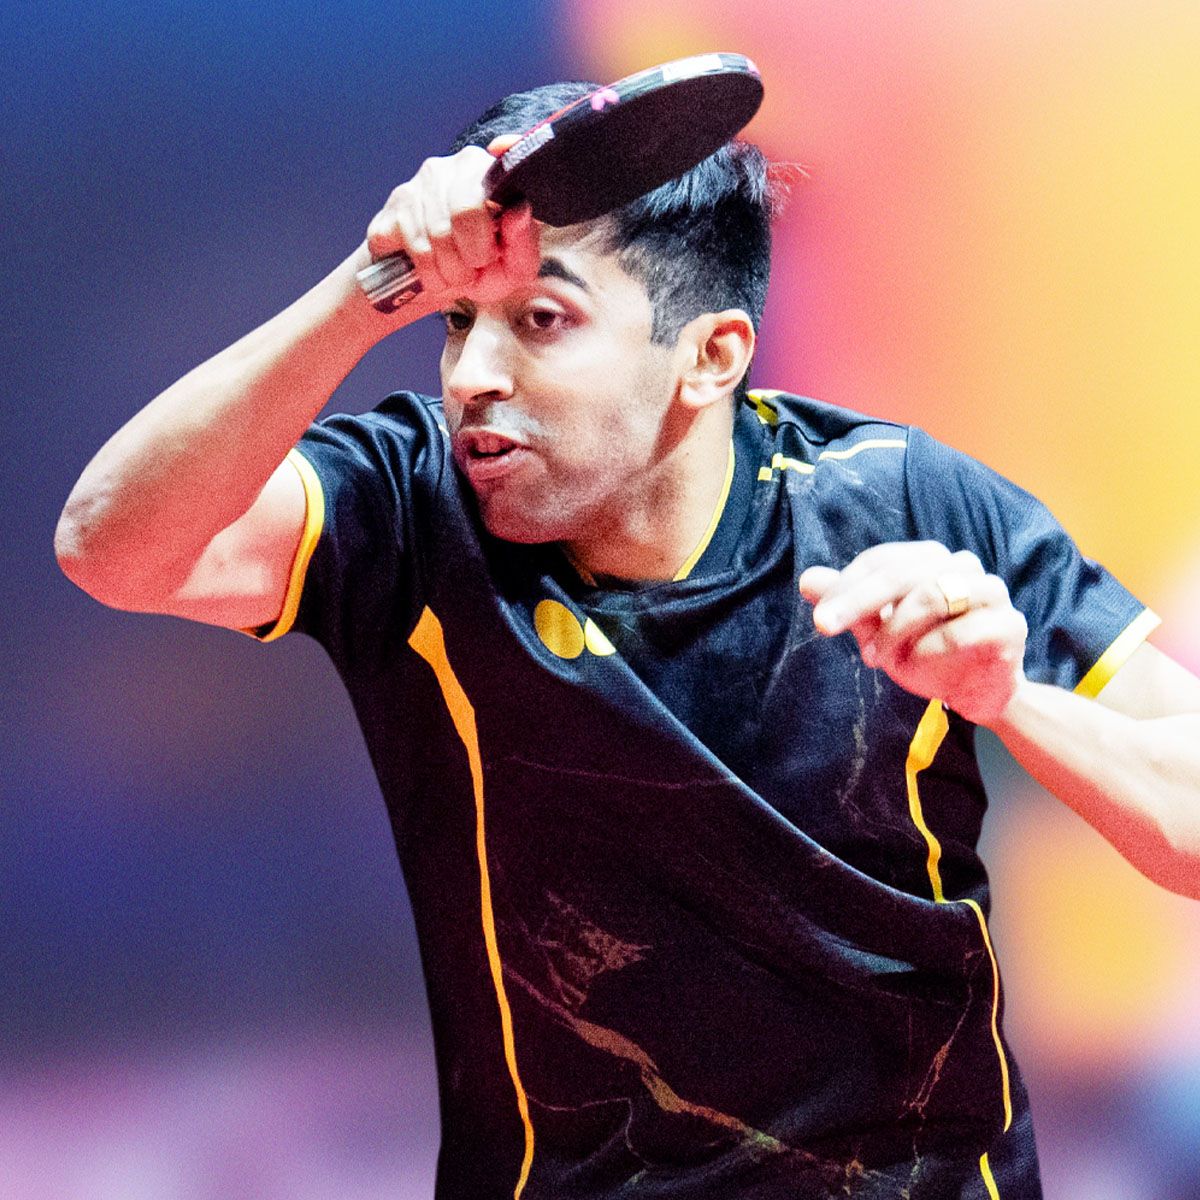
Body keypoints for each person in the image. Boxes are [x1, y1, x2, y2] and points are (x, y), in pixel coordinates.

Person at [56, 78, 1200, 1200]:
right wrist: (368, 290)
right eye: (457, 320)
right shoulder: (409, 509)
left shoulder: (904, 506)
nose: (473, 375)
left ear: (711, 356)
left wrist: (1010, 702)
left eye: (541, 320)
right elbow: (111, 549)